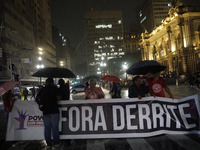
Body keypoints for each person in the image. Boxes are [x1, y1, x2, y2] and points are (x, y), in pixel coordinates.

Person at [36, 77, 60, 146]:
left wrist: (41, 105)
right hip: (54, 110)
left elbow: (37, 99)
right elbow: (59, 98)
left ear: (46, 82)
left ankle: (48, 143)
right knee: (55, 127)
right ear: (52, 82)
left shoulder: (42, 89)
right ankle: (56, 142)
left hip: (45, 111)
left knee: (47, 127)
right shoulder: (55, 89)